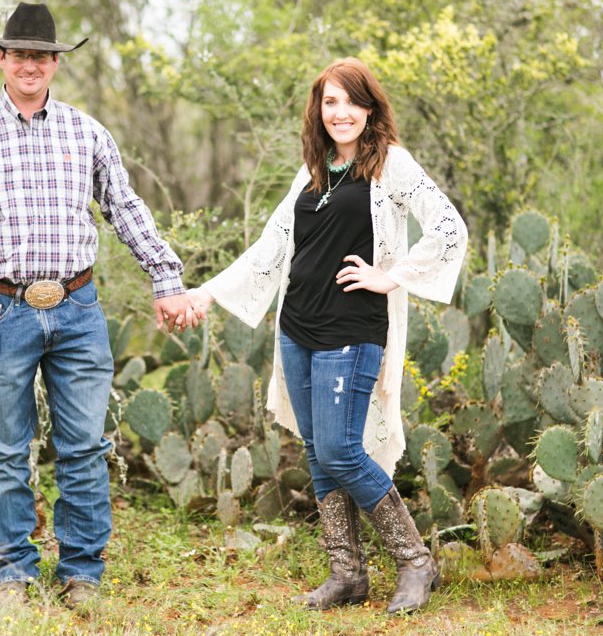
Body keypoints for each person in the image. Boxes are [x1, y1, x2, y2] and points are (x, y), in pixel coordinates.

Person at [0, 2, 196, 608]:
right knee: (1, 453)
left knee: (85, 447)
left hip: (76, 307)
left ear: (56, 63)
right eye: (18, 54)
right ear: (1, 58)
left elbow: (125, 208)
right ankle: (10, 575)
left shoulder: (87, 131)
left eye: (41, 56)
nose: (30, 65)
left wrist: (166, 278)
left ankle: (81, 574)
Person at [188, 57, 467, 614]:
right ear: (319, 110)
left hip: (353, 328)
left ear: (370, 108)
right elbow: (271, 247)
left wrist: (390, 276)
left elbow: (448, 226)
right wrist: (208, 293)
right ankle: (348, 575)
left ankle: (415, 561)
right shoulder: (313, 172)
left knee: (342, 449)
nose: (340, 113)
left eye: (351, 101)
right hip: (296, 327)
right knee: (319, 451)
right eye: (329, 102)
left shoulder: (392, 165)